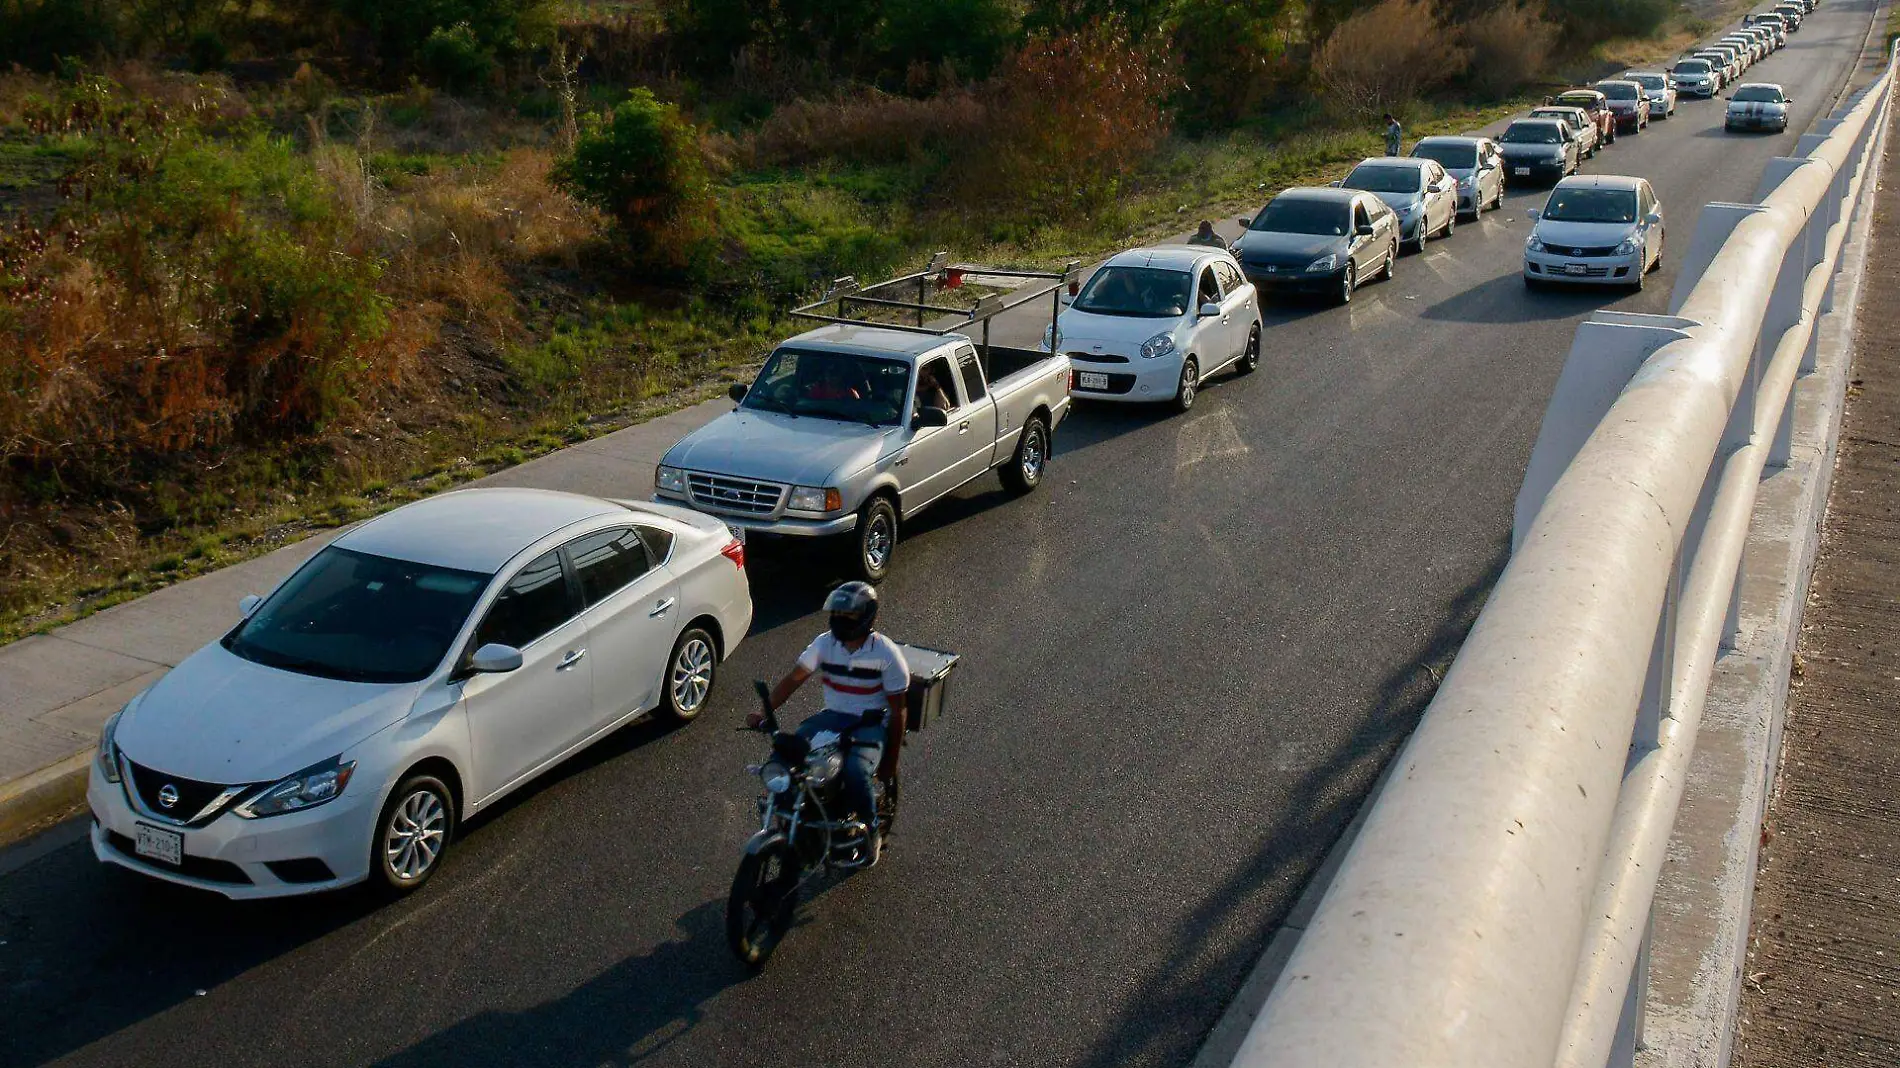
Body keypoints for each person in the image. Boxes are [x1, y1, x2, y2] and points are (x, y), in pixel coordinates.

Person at [751, 582, 909, 865]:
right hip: (832, 717)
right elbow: (794, 679)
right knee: (786, 754)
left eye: (848, 615)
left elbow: (898, 713)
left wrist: (890, 761)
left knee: (855, 770)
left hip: (869, 723)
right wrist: (764, 713)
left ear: (866, 618)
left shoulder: (887, 654)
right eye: (838, 614)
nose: (841, 620)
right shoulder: (825, 643)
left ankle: (871, 829)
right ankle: (789, 817)